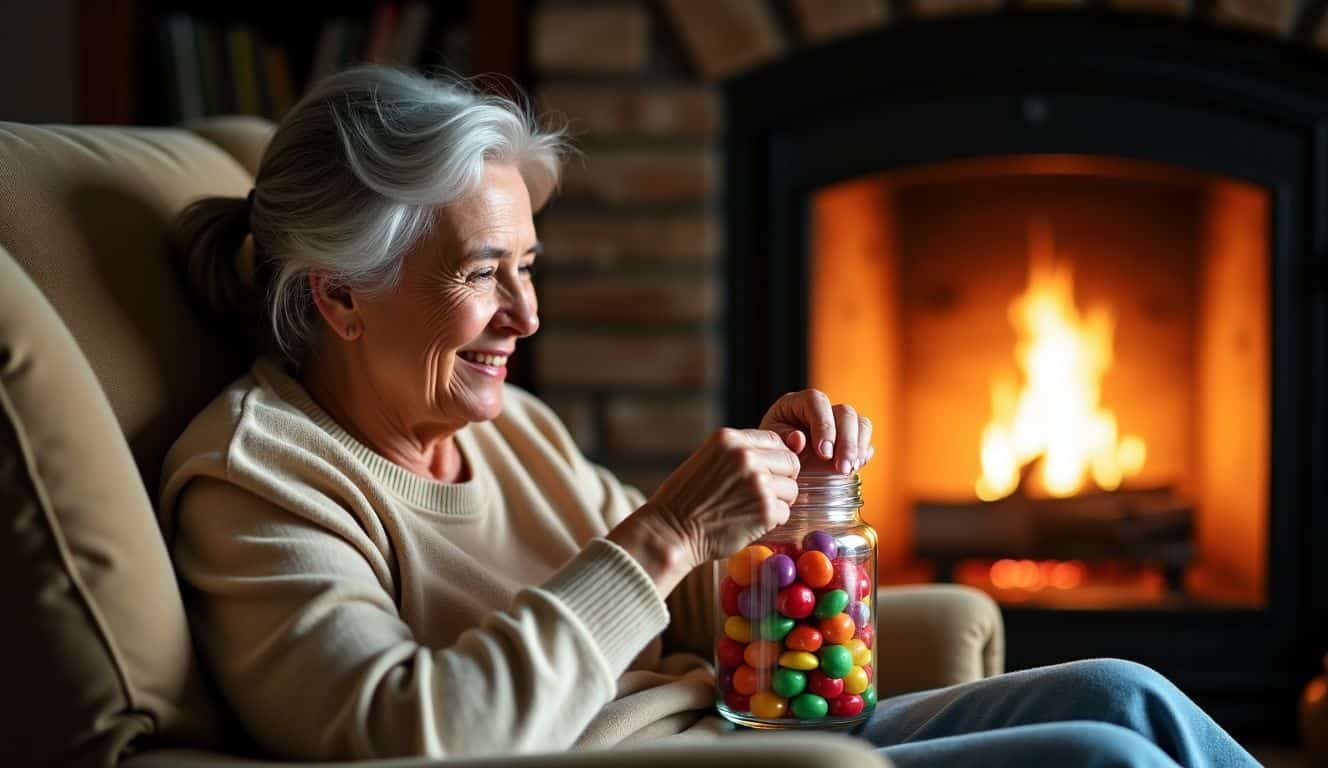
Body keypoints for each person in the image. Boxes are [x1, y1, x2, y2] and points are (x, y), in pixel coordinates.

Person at [160, 64, 1258, 768]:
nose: (525, 315)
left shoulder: (507, 432)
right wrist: (669, 528)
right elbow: (410, 734)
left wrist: (782, 506)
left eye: (529, 268)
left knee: (1129, 692)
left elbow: (682, 612)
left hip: (743, 724)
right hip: (694, 761)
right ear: (337, 295)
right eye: (484, 274)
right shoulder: (258, 481)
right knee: (1100, 762)